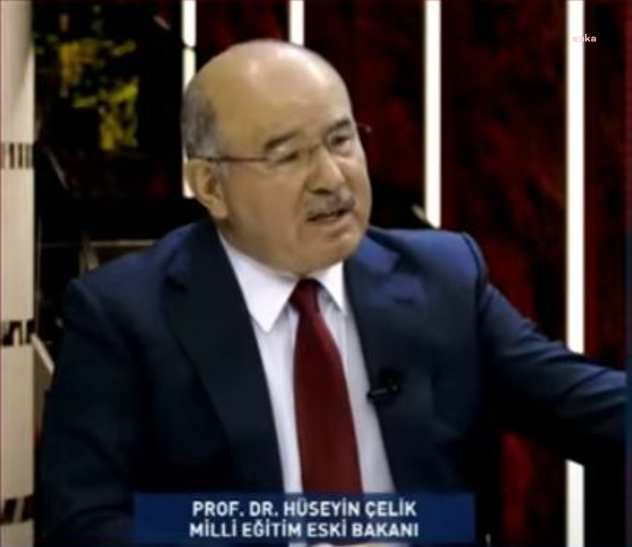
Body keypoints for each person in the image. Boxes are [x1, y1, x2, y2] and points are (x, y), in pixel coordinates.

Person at [38, 39, 625, 546]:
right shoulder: (124, 314)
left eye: (342, 141)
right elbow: (84, 520)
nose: (332, 177)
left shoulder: (443, 279)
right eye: (288, 156)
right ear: (211, 185)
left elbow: (589, 406)